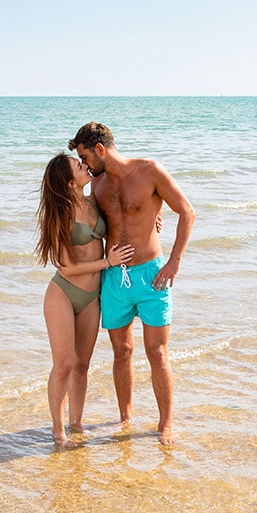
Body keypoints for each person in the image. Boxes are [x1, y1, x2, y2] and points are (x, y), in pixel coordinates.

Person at [68, 122, 195, 445]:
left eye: (85, 156)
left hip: (153, 274)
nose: (84, 165)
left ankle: (165, 423)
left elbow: (186, 212)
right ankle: (125, 418)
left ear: (100, 149)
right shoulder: (97, 186)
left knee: (157, 352)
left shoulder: (150, 171)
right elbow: (89, 224)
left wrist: (174, 262)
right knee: (121, 351)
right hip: (115, 278)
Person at [36, 154, 134, 448]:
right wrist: (108, 262)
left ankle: (76, 424)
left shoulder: (93, 201)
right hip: (64, 293)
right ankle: (58, 432)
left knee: (82, 365)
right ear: (68, 183)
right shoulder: (59, 215)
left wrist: (155, 217)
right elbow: (65, 267)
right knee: (64, 364)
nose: (84, 165)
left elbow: (124, 212)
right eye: (77, 167)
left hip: (92, 296)